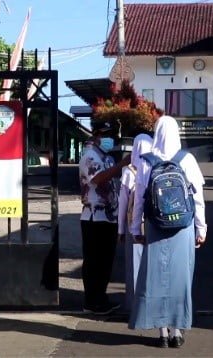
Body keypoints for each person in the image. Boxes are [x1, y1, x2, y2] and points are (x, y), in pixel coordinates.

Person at [128, 116, 207, 348]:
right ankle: (177, 331)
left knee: (156, 279)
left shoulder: (146, 161)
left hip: (155, 225)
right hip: (183, 227)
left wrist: (135, 228)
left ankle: (162, 333)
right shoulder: (187, 159)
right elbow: (198, 199)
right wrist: (201, 227)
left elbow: (140, 200)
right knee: (181, 279)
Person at [78, 122, 130, 315]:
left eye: (112, 135)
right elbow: (98, 179)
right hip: (93, 217)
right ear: (97, 135)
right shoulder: (89, 156)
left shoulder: (105, 156)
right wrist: (122, 165)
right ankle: (91, 301)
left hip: (108, 216)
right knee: (94, 261)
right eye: (106, 134)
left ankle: (101, 298)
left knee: (106, 261)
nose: (110, 139)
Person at [117, 133, 153, 312]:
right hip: (155, 226)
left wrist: (121, 230)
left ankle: (135, 308)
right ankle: (153, 307)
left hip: (134, 226)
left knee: (135, 267)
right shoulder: (156, 167)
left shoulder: (129, 171)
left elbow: (123, 204)